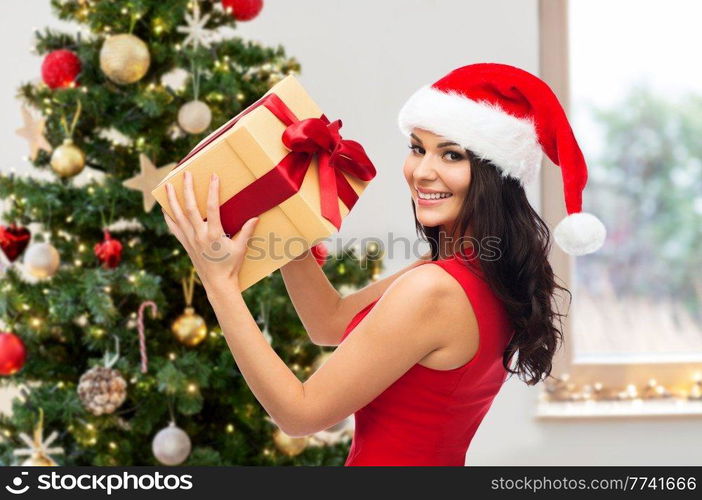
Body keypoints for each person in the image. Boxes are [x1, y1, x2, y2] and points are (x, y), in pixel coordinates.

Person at [162, 62, 606, 466]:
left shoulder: (435, 290)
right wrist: (290, 224)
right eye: (418, 148)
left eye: (451, 155)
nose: (422, 172)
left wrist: (218, 283)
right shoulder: (472, 267)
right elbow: (330, 323)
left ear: (495, 173)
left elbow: (299, 414)